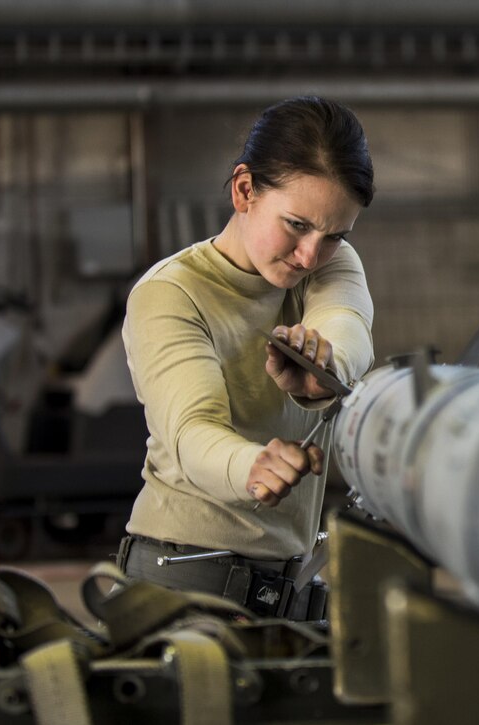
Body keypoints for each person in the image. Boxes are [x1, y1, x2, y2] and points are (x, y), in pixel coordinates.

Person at [115, 96, 375, 620]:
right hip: (185, 580)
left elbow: (347, 325)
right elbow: (192, 432)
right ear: (244, 190)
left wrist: (328, 370)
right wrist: (251, 464)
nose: (310, 256)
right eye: (297, 225)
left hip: (293, 588)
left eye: (334, 235)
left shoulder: (330, 262)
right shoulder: (170, 293)